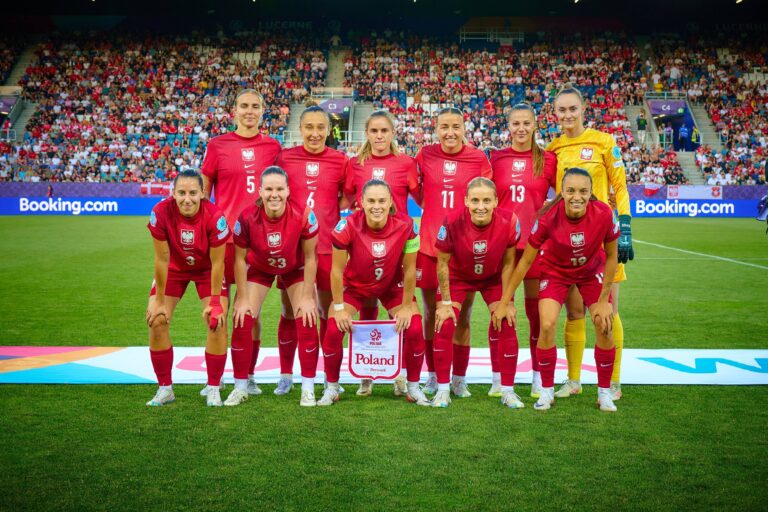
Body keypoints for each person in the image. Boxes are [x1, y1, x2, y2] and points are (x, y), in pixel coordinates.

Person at [505, 168, 620, 412]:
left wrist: (603, 299)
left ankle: (604, 393)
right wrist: (506, 300)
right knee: (546, 325)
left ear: (590, 193)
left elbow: (612, 257)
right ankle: (546, 391)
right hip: (555, 271)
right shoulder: (547, 218)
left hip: (591, 271)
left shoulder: (604, 214)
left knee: (604, 323)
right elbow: (525, 262)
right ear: (562, 192)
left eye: (583, 191)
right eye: (570, 191)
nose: (576, 196)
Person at [546, 84, 633, 401]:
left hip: (604, 239)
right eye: (562, 110)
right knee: (574, 311)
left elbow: (620, 186)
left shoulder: (604, 142)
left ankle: (613, 382)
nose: (567, 115)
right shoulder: (553, 149)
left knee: (607, 309)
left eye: (573, 109)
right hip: (567, 241)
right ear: (555, 114)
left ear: (584, 111)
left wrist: (624, 224)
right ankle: (573, 380)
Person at [318, 179, 429, 407]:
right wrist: (339, 309)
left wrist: (407, 307)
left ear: (391, 202)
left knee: (415, 326)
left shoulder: (407, 226)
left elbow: (409, 270)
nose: (376, 206)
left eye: (381, 200)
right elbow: (336, 271)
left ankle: (413, 386)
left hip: (391, 285)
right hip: (356, 285)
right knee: (332, 327)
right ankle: (331, 387)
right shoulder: (346, 226)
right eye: (371, 201)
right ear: (361, 202)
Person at [202, 89, 281, 396]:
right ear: (234, 111)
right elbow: (204, 192)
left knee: (250, 312)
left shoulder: (272, 147)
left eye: (256, 106)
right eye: (244, 106)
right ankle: (217, 377)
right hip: (224, 241)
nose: (250, 111)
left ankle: (247, 375)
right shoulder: (218, 145)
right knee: (218, 311)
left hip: (257, 242)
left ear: (263, 111)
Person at [224, 166, 320, 407]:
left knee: (306, 315)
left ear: (288, 190)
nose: (274, 194)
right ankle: (241, 385)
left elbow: (311, 258)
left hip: (294, 267)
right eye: (268, 189)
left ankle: (307, 388)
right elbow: (238, 258)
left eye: (279, 189)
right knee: (242, 316)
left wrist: (308, 296)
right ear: (260, 190)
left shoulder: (304, 214)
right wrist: (243, 297)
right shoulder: (246, 217)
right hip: (260, 267)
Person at [415, 106, 493, 397]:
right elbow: (417, 191)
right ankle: (434, 375)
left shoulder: (477, 158)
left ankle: (459, 379)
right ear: (436, 129)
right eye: (444, 127)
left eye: (456, 127)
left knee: (462, 316)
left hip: (464, 249)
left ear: (465, 128)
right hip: (429, 246)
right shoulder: (425, 155)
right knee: (431, 313)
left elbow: (485, 196)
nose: (450, 132)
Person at [343, 109, 420, 397]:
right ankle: (367, 373)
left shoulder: (406, 163)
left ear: (392, 133)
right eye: (374, 131)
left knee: (399, 313)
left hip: (398, 248)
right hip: (365, 245)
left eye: (384, 131)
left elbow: (421, 198)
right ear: (367, 133)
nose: (379, 136)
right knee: (366, 312)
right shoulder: (355, 164)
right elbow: (349, 199)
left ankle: (398, 373)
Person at [276, 103, 348, 395]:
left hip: (329, 248)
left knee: (327, 312)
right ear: (300, 128)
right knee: (289, 310)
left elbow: (348, 197)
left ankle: (330, 376)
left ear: (329, 130)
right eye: (309, 127)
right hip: (293, 249)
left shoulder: (340, 160)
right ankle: (285, 375)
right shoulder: (285, 158)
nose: (315, 133)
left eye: (321, 127)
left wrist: (328, 212)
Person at [433, 177, 521, 408]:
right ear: (466, 201)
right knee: (445, 322)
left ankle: (507, 390)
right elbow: (442, 263)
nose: (480, 206)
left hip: (492, 278)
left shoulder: (509, 220)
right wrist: (445, 302)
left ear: (495, 201)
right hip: (458, 276)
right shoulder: (452, 221)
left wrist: (506, 301)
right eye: (475, 200)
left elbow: (509, 263)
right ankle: (446, 388)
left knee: (507, 320)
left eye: (486, 200)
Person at [145, 170, 230, 407]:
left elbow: (218, 263)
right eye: (181, 193)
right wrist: (159, 300)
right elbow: (161, 260)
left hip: (206, 270)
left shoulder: (214, 216)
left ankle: (214, 387)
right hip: (174, 268)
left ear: (203, 193)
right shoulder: (161, 212)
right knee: (157, 319)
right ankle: (165, 388)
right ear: (173, 193)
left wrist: (214, 302)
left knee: (217, 321)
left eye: (193, 193)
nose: (187, 199)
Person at [490, 102, 557, 398]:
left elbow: (565, 193)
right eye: (515, 123)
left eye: (526, 123)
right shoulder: (496, 158)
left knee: (535, 313)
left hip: (534, 247)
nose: (520, 129)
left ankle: (537, 377)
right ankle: (497, 378)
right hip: (503, 247)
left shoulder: (548, 159)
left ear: (534, 125)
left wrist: (546, 211)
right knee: (500, 311)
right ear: (509, 126)